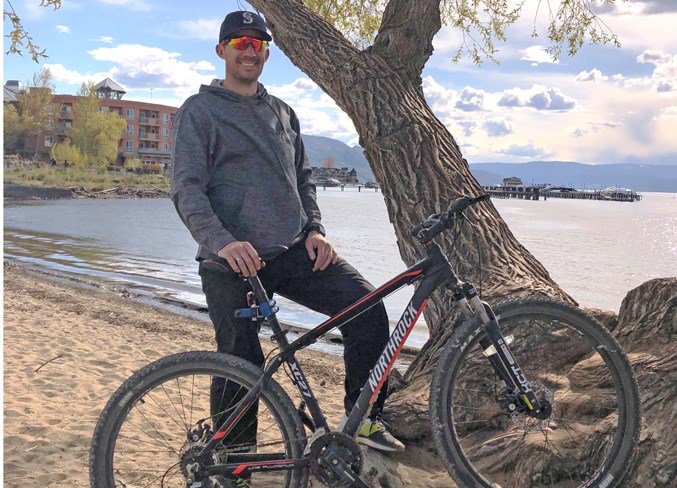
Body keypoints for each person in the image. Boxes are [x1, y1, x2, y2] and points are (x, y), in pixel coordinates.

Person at [170, 9, 404, 468]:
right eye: (239, 43)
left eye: (257, 43)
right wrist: (222, 241)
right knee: (241, 359)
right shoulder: (199, 112)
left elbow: (303, 180)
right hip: (229, 261)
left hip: (292, 250)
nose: (249, 50)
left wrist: (315, 230)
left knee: (368, 309)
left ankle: (366, 418)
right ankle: (233, 464)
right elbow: (186, 188)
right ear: (222, 51)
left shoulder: (282, 112)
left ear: (267, 53)